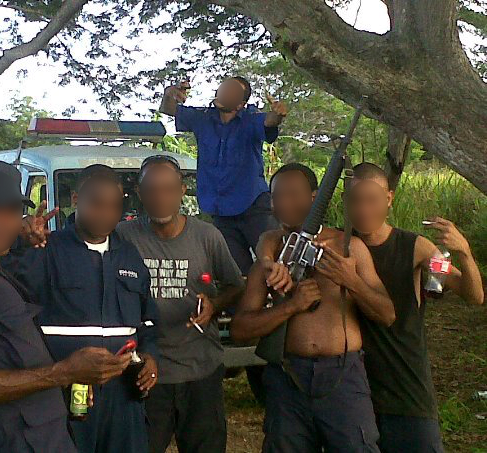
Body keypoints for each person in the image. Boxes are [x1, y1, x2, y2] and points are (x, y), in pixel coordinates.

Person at [0, 158, 131, 453]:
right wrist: (62, 372)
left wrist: (62, 382)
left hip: (42, 436)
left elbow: (10, 352)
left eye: (14, 211)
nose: (7, 222)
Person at [231, 163, 396, 453]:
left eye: (293, 194)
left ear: (314, 197)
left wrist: (350, 280)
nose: (284, 203)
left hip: (343, 375)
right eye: (277, 196)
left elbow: (387, 314)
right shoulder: (270, 255)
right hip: (287, 376)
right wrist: (291, 306)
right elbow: (241, 330)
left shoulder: (349, 247)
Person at [3, 165, 159, 453]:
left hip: (122, 396)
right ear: (76, 199)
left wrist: (150, 356)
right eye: (96, 204)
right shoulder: (47, 249)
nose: (105, 214)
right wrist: (19, 242)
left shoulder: (128, 256)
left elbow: (148, 321)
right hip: (64, 393)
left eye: (113, 206)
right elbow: (9, 296)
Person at [348, 162, 484, 453]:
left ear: (389, 199)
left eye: (372, 200)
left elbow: (471, 295)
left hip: (405, 386)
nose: (363, 209)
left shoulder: (417, 248)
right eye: (355, 200)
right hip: (354, 392)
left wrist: (465, 254)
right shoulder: (339, 245)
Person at [116, 155, 245, 453]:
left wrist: (213, 305)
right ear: (139, 193)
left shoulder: (207, 236)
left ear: (182, 191)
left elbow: (235, 286)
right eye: (152, 190)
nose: (160, 198)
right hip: (146, 372)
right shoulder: (124, 236)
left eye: (168, 189)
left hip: (200, 371)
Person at [159, 76, 288, 274]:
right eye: (223, 87)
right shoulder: (202, 117)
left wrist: (277, 115)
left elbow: (269, 122)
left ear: (240, 104)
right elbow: (169, 109)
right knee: (236, 274)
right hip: (220, 212)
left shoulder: (251, 119)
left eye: (232, 90)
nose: (223, 91)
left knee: (274, 264)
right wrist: (169, 94)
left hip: (254, 207)